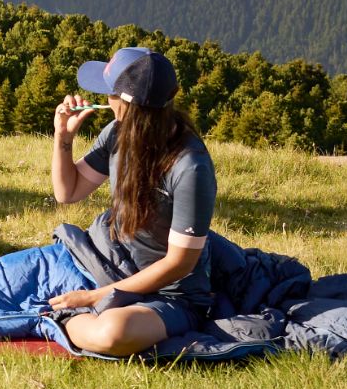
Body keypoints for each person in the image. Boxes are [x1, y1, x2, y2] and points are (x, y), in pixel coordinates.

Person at [44, 45, 217, 356]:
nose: (106, 99)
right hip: (112, 258)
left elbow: (180, 263)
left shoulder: (190, 166)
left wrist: (97, 297)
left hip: (170, 293)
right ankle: (73, 316)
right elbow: (67, 193)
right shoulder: (116, 133)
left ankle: (56, 320)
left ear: (124, 104)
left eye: (109, 93)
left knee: (114, 333)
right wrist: (63, 137)